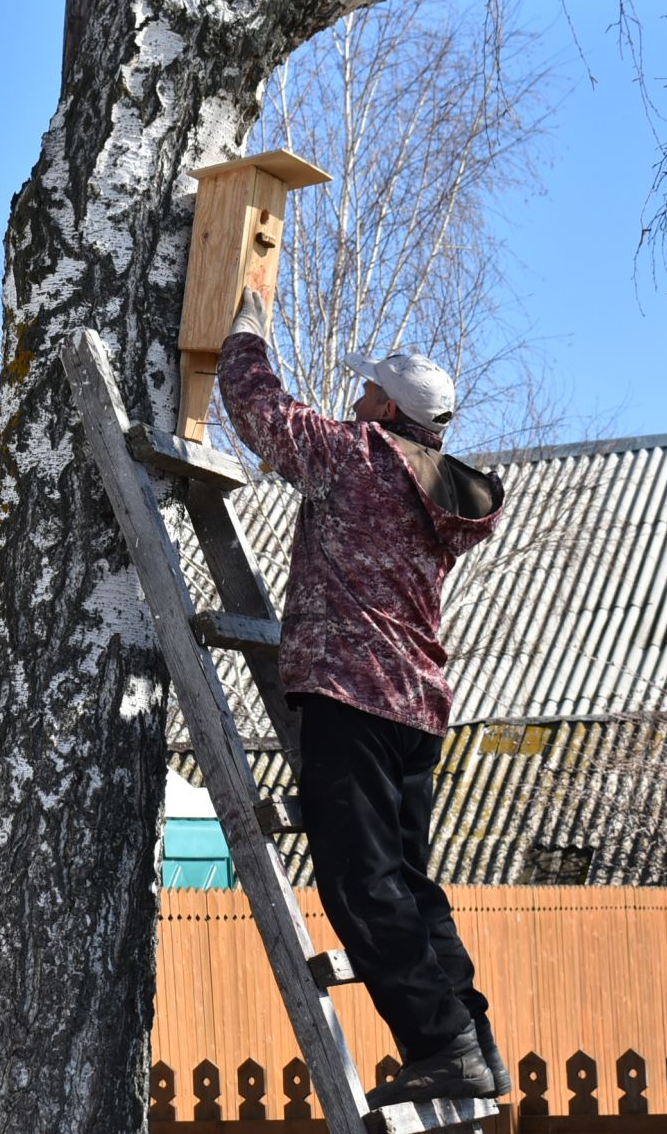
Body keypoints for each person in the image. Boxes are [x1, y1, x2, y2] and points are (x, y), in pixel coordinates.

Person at [216, 288, 509, 1109]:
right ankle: (473, 1039)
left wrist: (245, 330)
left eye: (366, 390)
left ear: (387, 406)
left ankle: (443, 1044)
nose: (354, 398)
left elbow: (259, 409)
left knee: (360, 882)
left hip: (352, 693)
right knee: (409, 882)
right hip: (417, 704)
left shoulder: (359, 457)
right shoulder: (440, 485)